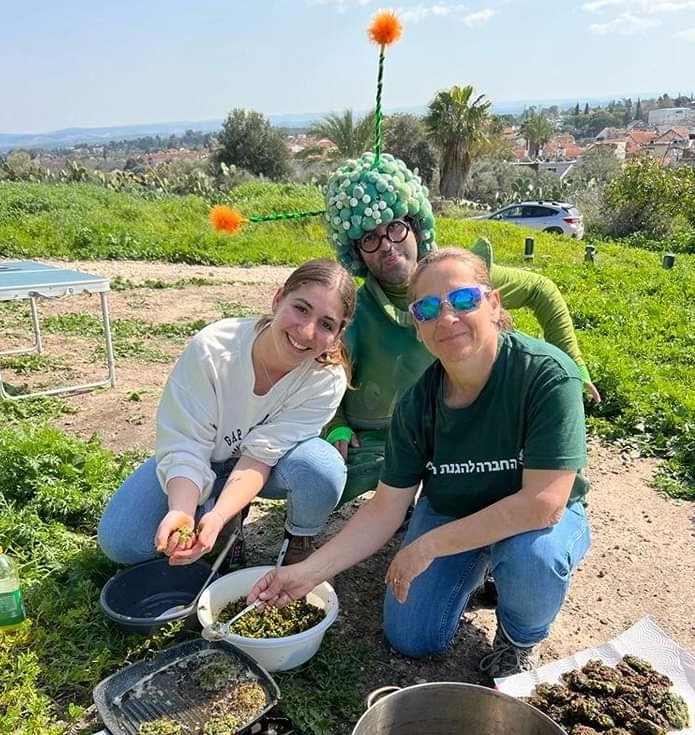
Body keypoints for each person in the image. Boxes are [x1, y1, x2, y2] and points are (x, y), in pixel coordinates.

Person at [248, 247, 591, 677]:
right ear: (417, 326)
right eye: (427, 308)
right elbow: (386, 507)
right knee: (412, 637)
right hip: (453, 510)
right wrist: (307, 573)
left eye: (463, 300)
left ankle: (519, 638)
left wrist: (427, 546)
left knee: (534, 559)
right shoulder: (417, 403)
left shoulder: (545, 374)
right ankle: (475, 566)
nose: (447, 318)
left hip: (534, 521)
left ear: (494, 304)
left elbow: (543, 504)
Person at [321, 153, 600, 508]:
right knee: (332, 472)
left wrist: (574, 366)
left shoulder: (461, 279)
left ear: (415, 224)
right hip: (382, 435)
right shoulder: (358, 313)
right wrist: (339, 423)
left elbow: (541, 290)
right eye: (369, 239)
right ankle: (302, 534)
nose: (387, 246)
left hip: (465, 426)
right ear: (356, 252)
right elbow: (327, 367)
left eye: (394, 227)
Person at [98, 258, 355, 568]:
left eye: (326, 324)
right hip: (200, 456)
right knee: (121, 540)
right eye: (301, 308)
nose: (307, 331)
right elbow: (186, 444)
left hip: (268, 468)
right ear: (278, 299)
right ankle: (208, 513)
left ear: (338, 334)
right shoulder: (214, 349)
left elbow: (260, 456)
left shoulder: (325, 380)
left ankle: (296, 536)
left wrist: (219, 514)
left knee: (322, 467)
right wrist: (180, 509)